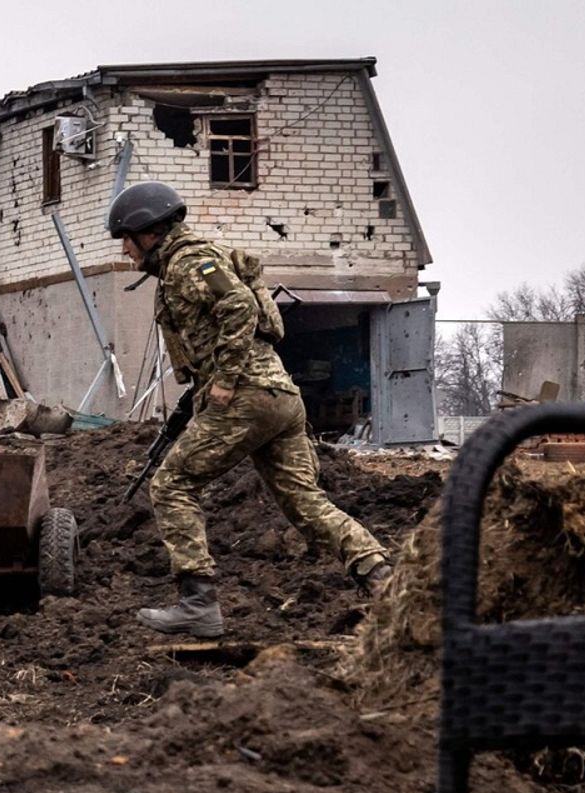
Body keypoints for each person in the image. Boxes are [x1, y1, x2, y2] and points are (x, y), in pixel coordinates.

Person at [107, 182, 393, 638]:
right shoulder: (195, 260)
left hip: (247, 396)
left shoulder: (186, 263)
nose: (124, 248)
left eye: (126, 236)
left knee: (172, 484)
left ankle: (197, 603)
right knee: (305, 502)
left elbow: (239, 307)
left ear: (150, 230)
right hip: (280, 398)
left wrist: (222, 380)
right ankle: (381, 578)